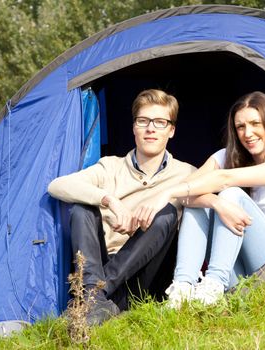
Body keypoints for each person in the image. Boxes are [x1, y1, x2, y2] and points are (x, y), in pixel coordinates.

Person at [133, 91, 265, 308]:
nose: (247, 133)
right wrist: (215, 203)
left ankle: (213, 284)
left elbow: (224, 179)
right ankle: (182, 288)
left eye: (255, 124)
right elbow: (188, 195)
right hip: (240, 274)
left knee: (231, 193)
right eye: (240, 127)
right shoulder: (228, 155)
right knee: (201, 201)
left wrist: (166, 193)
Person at [48, 89, 195, 324]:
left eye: (160, 122)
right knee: (81, 208)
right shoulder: (110, 167)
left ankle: (93, 297)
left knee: (165, 216)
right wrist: (110, 201)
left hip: (147, 275)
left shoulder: (188, 174)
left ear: (172, 130)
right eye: (143, 121)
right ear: (134, 127)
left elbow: (214, 194)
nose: (150, 129)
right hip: (101, 263)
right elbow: (57, 185)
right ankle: (98, 302)